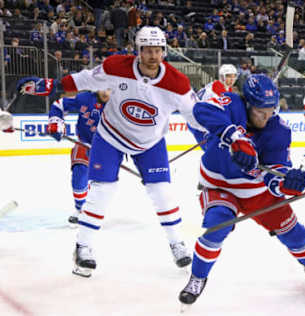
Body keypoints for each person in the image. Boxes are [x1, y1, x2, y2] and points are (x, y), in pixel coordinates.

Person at [17, 26, 206, 277]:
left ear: (164, 51)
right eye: (147, 50)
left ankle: (176, 243)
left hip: (150, 143)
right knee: (102, 191)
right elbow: (85, 79)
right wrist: (52, 85)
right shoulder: (117, 66)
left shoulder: (177, 83)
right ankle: (83, 246)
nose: (152, 55)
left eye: (157, 50)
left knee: (162, 193)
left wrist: (217, 137)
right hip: (110, 137)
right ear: (138, 51)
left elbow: (196, 117)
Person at [178, 74, 305, 307]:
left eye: (271, 111)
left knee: (292, 232)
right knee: (216, 226)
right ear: (247, 104)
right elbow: (202, 110)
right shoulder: (232, 104)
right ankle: (197, 277)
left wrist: (286, 182)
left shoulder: (278, 130)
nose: (266, 118)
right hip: (218, 184)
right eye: (260, 112)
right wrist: (236, 137)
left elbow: (273, 173)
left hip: (255, 190)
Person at [46, 90, 111, 225]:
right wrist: (56, 123)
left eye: (110, 88)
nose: (106, 91)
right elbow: (59, 105)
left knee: (102, 183)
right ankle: (81, 209)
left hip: (110, 146)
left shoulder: (120, 102)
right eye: (103, 87)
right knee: (79, 170)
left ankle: (94, 206)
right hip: (85, 142)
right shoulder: (85, 98)